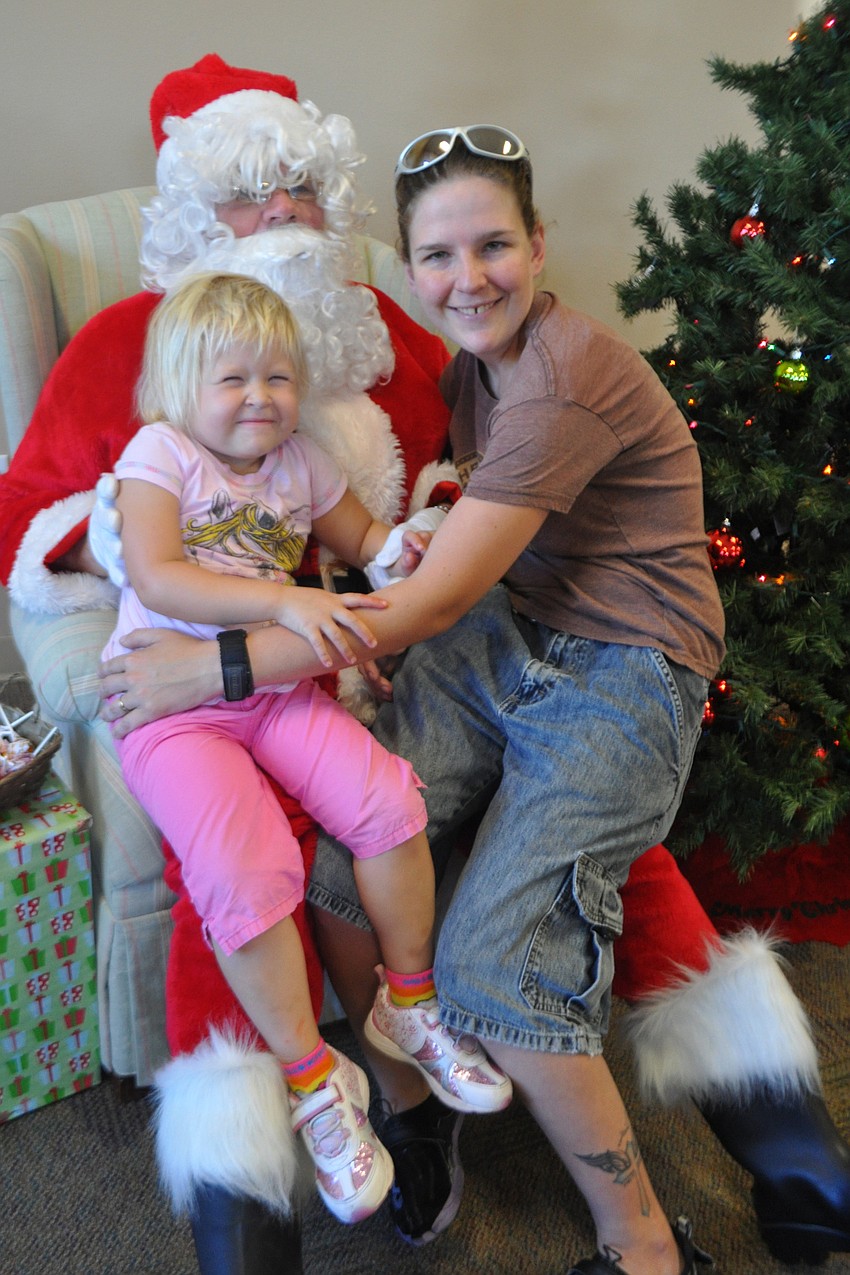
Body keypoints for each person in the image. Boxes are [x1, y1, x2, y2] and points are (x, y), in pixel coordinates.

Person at [5, 56, 848, 1271]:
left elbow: (463, 490)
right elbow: (32, 517)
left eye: (304, 183)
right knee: (238, 871)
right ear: (194, 215)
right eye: (252, 193)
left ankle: (784, 1138)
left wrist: (417, 528)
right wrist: (162, 569)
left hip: (414, 650)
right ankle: (259, 1200)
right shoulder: (140, 346)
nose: (285, 215)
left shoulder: (391, 328)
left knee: (598, 845)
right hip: (257, 671)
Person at [104, 269, 511, 1227]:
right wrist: (286, 596)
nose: (261, 398)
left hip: (275, 690)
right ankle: (315, 1079)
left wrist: (400, 550)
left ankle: (405, 1000)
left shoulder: (299, 458)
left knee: (388, 799)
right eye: (234, 379)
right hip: (169, 708)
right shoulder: (159, 453)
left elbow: (362, 538)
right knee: (245, 875)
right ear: (180, 386)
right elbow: (160, 576)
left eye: (278, 377)